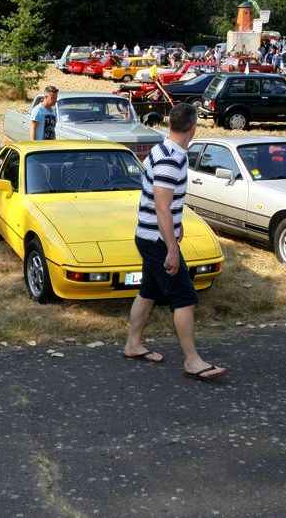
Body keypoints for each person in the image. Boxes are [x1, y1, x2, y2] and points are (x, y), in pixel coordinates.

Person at [124, 103, 226, 381]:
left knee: (148, 292)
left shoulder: (161, 149)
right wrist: (171, 247)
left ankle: (133, 344)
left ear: (171, 124)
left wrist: (175, 230)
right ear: (193, 127)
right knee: (185, 299)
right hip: (156, 240)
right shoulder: (172, 159)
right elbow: (162, 207)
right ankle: (192, 361)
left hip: (148, 235)